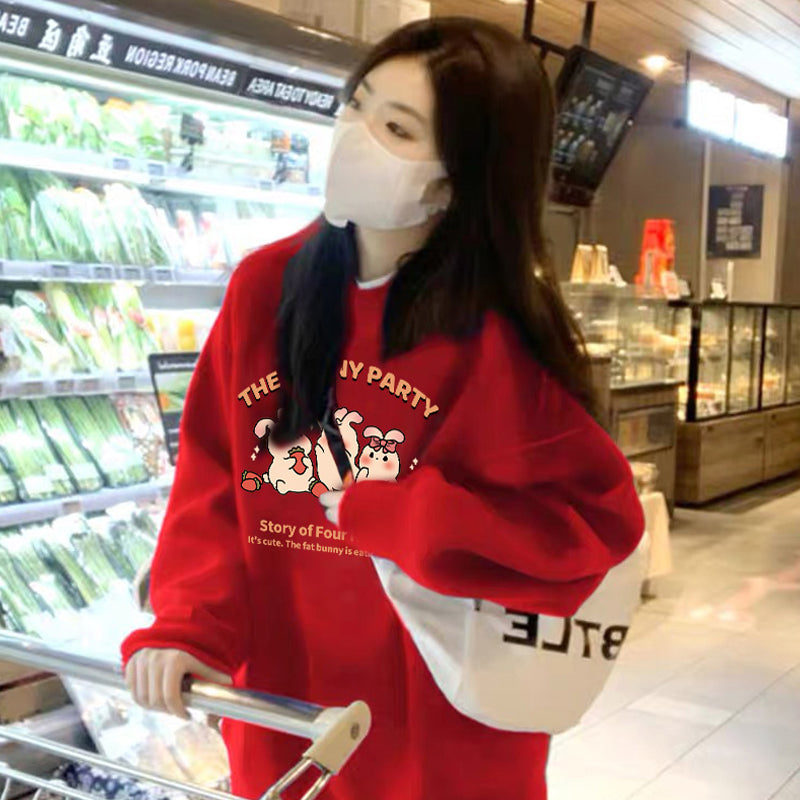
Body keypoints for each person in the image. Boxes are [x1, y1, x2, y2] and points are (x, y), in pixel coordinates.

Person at [122, 17, 644, 800]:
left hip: (446, 743)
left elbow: (590, 528)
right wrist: (191, 625)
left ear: (462, 175)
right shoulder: (266, 290)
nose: (355, 136)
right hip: (286, 719)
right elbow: (212, 479)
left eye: (396, 128)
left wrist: (409, 516)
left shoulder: (496, 336)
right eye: (357, 104)